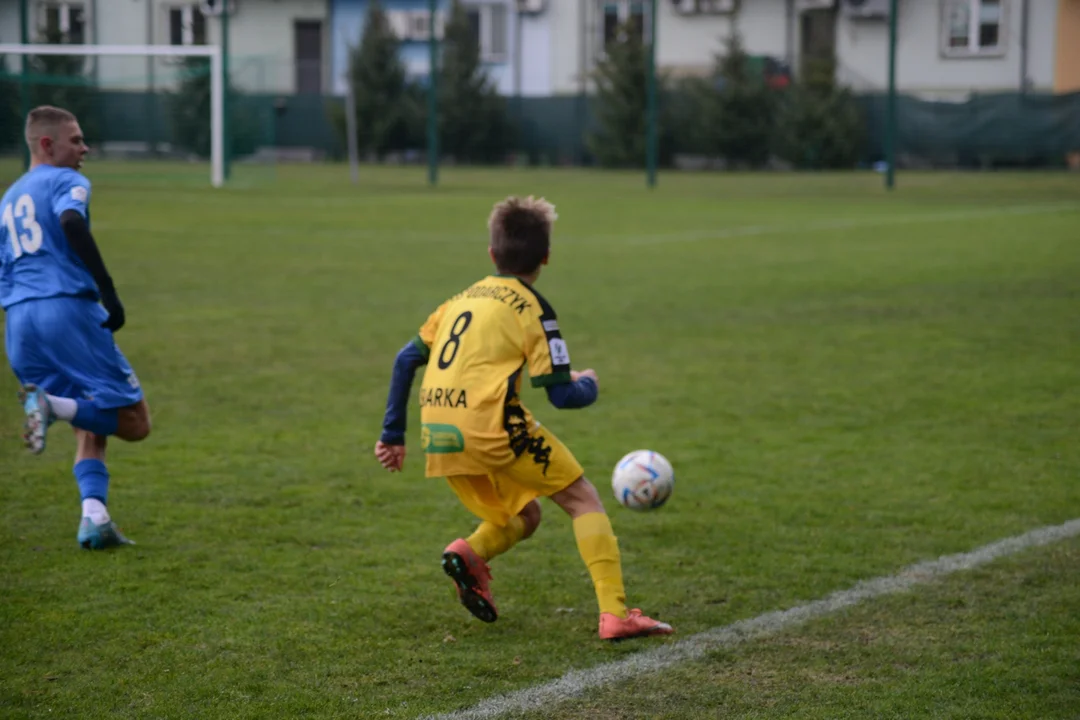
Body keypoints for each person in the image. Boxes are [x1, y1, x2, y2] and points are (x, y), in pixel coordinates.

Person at [374, 195, 673, 641]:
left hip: (438, 429)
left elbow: (405, 359)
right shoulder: (534, 309)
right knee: (582, 499)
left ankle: (469, 552)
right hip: (490, 425)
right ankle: (615, 615)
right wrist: (587, 381)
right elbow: (562, 396)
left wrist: (392, 435)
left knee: (526, 513)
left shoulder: (459, 299)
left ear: (492, 254)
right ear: (546, 258)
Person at [1, 106, 151, 550]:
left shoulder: (9, 197)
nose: (85, 149)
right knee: (135, 422)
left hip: (21, 322)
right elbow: (70, 221)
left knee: (91, 415)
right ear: (47, 144)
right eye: (76, 140)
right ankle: (50, 407)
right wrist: (108, 290)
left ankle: (94, 518)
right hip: (66, 310)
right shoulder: (67, 181)